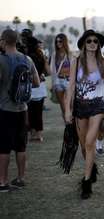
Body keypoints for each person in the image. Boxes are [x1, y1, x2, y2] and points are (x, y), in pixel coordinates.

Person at [65, 29, 104, 199]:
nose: (92, 44)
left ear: (99, 45)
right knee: (83, 146)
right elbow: (71, 86)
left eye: (95, 41)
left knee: (90, 142)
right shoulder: (77, 61)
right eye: (89, 41)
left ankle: (86, 182)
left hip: (97, 106)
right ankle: (92, 168)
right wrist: (68, 110)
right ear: (84, 43)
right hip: (80, 106)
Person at [0, 29, 40, 192]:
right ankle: (21, 179)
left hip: (5, 109)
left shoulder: (1, 60)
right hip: (23, 109)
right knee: (21, 146)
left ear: (3, 41)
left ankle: (2, 182)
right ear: (17, 41)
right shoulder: (27, 59)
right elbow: (36, 82)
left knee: (3, 147)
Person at [26, 36, 51, 141]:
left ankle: (32, 135)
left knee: (30, 113)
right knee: (38, 113)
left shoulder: (26, 57)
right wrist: (41, 75)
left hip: (29, 87)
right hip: (40, 87)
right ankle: (39, 135)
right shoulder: (41, 55)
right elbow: (48, 72)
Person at [50, 33, 72, 121]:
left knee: (69, 104)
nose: (58, 43)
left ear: (64, 42)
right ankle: (67, 124)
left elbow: (73, 68)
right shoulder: (54, 55)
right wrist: (53, 83)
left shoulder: (70, 54)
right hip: (58, 81)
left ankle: (71, 122)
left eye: (60, 41)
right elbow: (53, 70)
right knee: (62, 106)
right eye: (57, 41)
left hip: (68, 80)